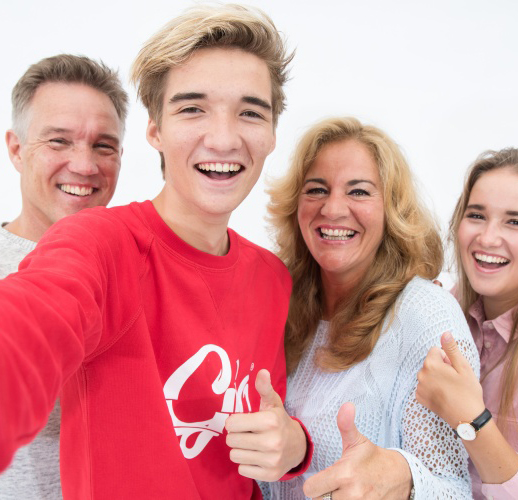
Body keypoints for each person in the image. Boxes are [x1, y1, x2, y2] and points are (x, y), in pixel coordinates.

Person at [0, 5, 311, 499]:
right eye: (192, 109)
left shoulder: (273, 277)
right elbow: (27, 327)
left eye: (251, 112)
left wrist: (294, 446)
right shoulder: (98, 243)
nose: (224, 138)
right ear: (155, 131)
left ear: (272, 134)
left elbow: (263, 433)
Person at [263, 116, 479, 499]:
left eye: (359, 192)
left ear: (391, 209)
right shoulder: (277, 304)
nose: (333, 208)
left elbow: (454, 490)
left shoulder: (426, 317)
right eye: (316, 189)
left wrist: (404, 478)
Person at [416, 148, 518, 499]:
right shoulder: (447, 311)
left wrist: (472, 420)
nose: (488, 238)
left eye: (516, 222)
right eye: (477, 215)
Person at [0, 53, 128, 500]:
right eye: (59, 141)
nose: (85, 165)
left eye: (103, 146)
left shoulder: (142, 266)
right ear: (17, 149)